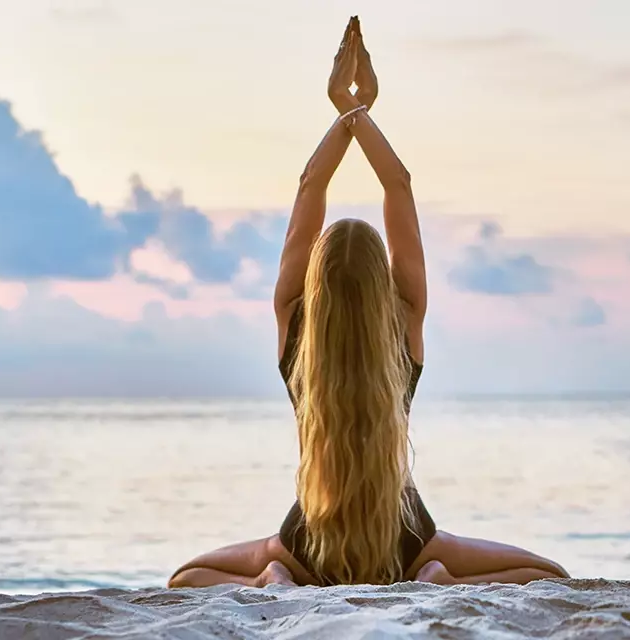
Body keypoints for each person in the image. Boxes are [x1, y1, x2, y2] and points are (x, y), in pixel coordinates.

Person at [167, 17, 568, 588]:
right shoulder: (404, 323)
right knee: (547, 572)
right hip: (406, 537)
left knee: (187, 577)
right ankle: (436, 580)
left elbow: (311, 185)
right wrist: (362, 112)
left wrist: (339, 112)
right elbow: (398, 185)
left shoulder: (294, 326)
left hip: (307, 538)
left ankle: (273, 581)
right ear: (383, 281)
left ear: (314, 279)